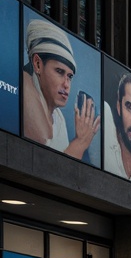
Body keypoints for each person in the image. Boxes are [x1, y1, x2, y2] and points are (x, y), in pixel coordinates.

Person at [21, 19, 99, 159]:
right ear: (37, 64)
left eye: (69, 76)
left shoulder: (58, 119)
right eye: (59, 72)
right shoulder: (23, 97)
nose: (66, 84)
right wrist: (80, 142)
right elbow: (44, 170)